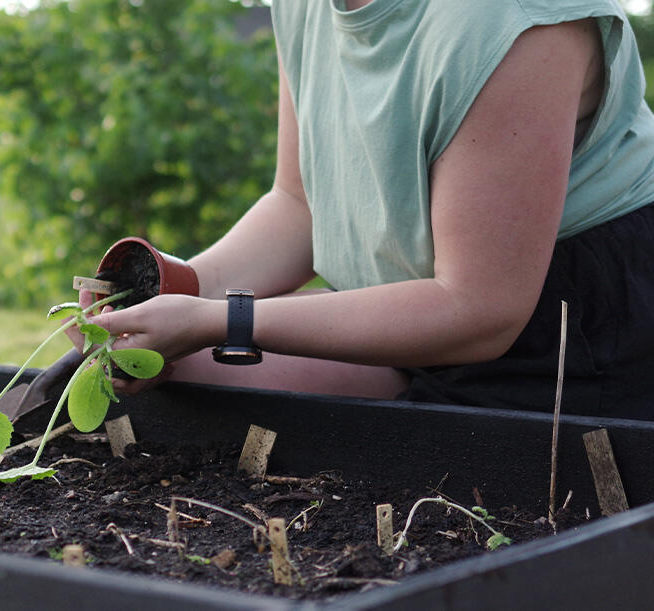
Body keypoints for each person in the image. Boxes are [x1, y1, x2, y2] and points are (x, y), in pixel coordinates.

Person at [78, 0, 654, 419]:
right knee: (165, 390)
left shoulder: (516, 18)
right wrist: (163, 294)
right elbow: (299, 205)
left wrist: (221, 321)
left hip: (567, 332)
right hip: (400, 306)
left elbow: (480, 309)